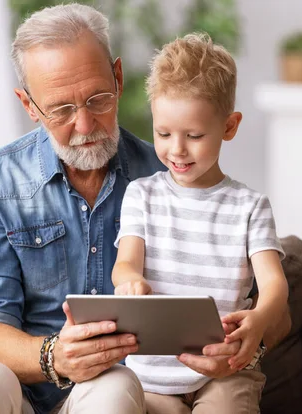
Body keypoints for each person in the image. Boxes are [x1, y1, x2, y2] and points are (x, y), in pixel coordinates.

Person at [0, 4, 171, 414]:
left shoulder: (166, 177)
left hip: (110, 391)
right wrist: (53, 356)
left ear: (118, 77)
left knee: (113, 386)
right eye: (60, 109)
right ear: (29, 106)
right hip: (4, 390)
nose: (84, 125)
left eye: (97, 99)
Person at [112, 33, 290, 414]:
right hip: (150, 379)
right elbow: (125, 263)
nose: (177, 149)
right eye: (163, 133)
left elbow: (274, 284)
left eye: (194, 136)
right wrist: (129, 281)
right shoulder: (141, 196)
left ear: (229, 126)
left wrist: (259, 320)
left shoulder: (250, 206)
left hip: (225, 374)